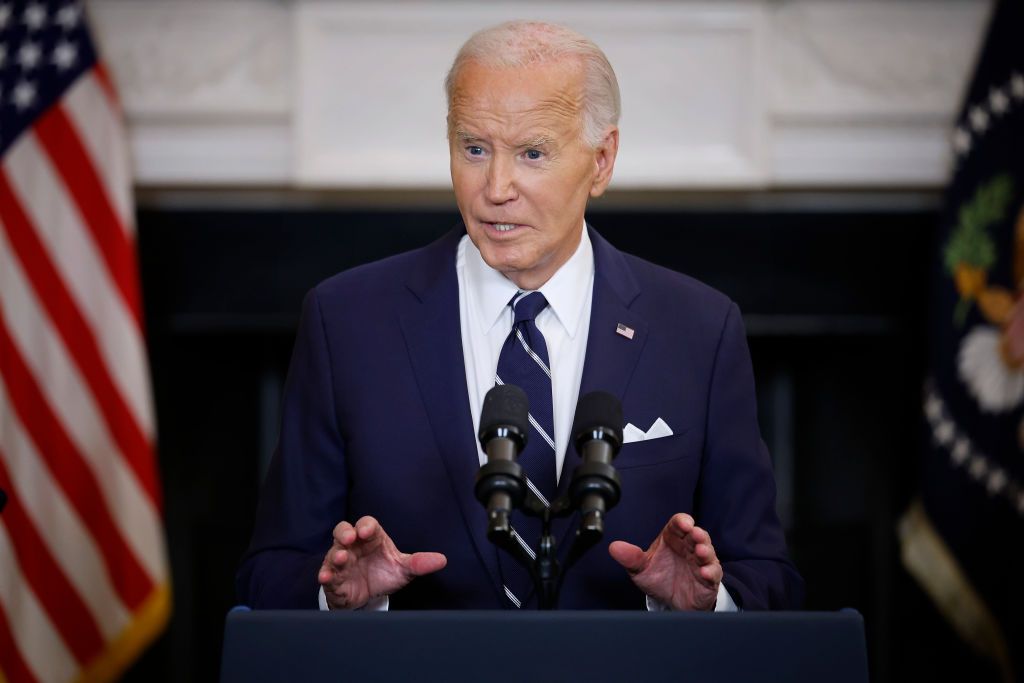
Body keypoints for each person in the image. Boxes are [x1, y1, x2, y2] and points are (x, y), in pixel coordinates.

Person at [237, 20, 803, 612]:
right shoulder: (346, 322)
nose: (496, 187)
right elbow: (269, 574)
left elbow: (770, 579)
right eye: (474, 149)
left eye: (532, 153)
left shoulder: (699, 330)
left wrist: (708, 604)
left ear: (602, 161)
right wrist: (340, 600)